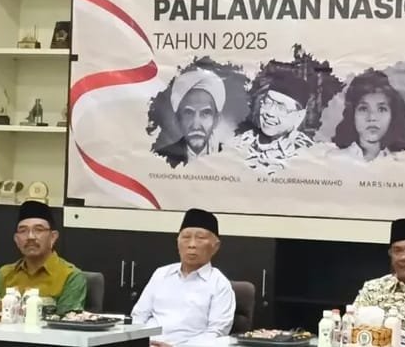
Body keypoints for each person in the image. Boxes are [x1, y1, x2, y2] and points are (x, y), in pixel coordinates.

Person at [131, 208, 235, 346]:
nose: (191, 245)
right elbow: (138, 316)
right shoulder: (161, 274)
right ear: (178, 242)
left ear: (215, 246)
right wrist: (141, 342)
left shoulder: (220, 284)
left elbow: (216, 333)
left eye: (200, 238)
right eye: (186, 237)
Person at [0, 201, 86, 315]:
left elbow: (66, 323)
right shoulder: (3, 276)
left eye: (39, 230)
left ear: (53, 237)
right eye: (23, 231)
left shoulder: (70, 277)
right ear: (16, 240)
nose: (30, 237)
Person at [236, 72, 314, 175]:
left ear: (299, 116)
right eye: (268, 102)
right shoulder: (241, 142)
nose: (270, 113)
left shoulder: (307, 155)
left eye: (281, 108)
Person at [148, 66, 226, 168]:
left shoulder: (230, 157)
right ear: (177, 119)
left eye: (205, 113)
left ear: (216, 120)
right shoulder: (160, 158)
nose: (196, 125)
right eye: (189, 113)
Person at [331, 70, 405, 161]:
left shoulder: (403, 162)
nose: (372, 118)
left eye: (381, 109)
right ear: (352, 114)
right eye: (363, 109)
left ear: (392, 115)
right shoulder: (335, 159)